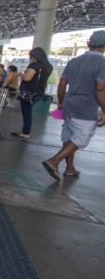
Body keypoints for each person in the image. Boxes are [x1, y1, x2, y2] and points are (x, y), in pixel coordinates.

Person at [41, 31, 105, 180]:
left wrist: (61, 102)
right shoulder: (102, 63)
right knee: (81, 138)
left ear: (88, 45)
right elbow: (100, 87)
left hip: (69, 105)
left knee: (69, 137)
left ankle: (70, 168)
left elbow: (62, 83)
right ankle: (54, 161)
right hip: (86, 108)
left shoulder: (74, 61)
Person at [11, 47, 53, 139]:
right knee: (28, 111)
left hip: (29, 92)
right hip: (39, 93)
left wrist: (22, 75)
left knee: (27, 112)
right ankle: (25, 131)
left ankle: (26, 132)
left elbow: (27, 78)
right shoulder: (48, 66)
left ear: (34, 56)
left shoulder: (34, 65)